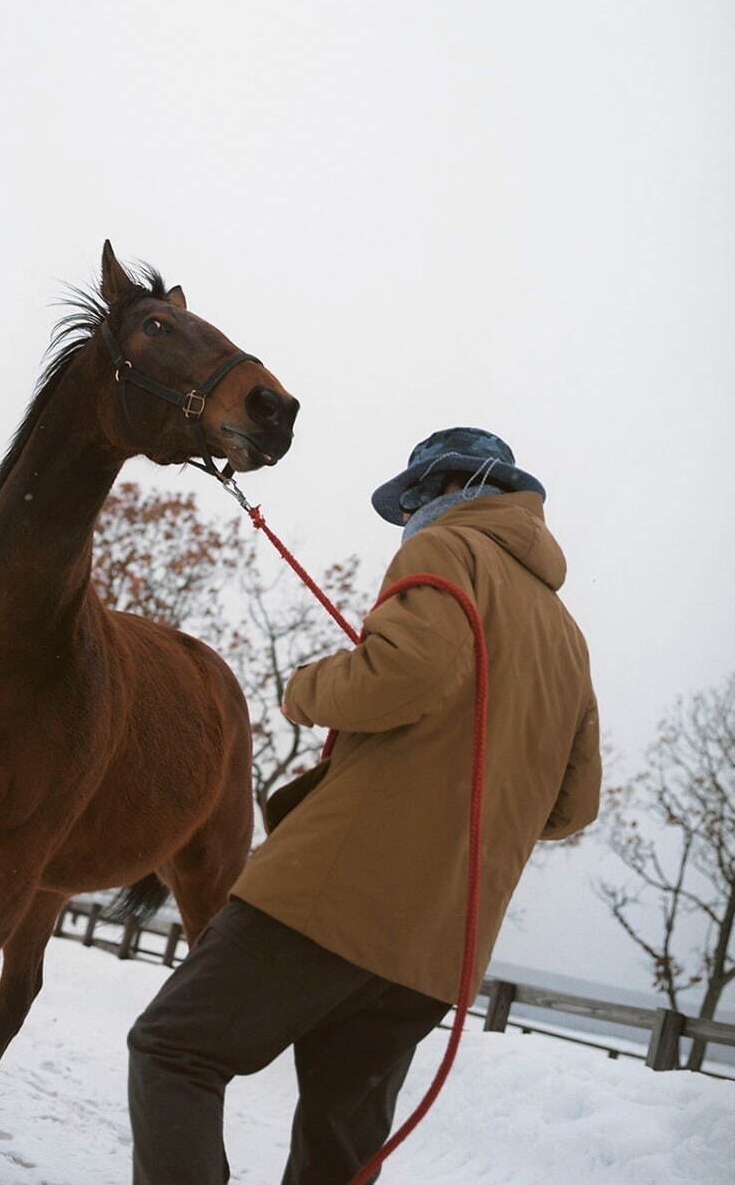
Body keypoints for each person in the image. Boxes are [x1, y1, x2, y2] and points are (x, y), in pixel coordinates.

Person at [128, 427, 601, 1185]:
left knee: (174, 1049)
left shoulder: (447, 548)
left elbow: (397, 678)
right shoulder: (568, 637)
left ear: (450, 487)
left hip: (333, 899)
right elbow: (572, 807)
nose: (407, 516)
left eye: (413, 498)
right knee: (337, 1147)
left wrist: (305, 690)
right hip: (436, 949)